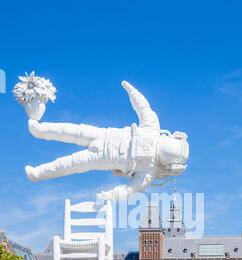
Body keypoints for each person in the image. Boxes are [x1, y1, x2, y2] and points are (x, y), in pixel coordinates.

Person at [24, 81, 189, 202]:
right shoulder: (151, 141)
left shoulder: (149, 169)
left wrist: (110, 196)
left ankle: (37, 172)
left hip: (103, 156)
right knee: (70, 139)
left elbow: (129, 190)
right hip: (104, 136)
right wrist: (132, 91)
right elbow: (143, 108)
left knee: (69, 160)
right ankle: (38, 131)